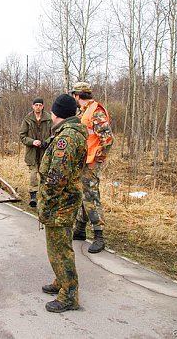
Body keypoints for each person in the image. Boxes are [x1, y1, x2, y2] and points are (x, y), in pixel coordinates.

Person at [38, 94, 87, 313]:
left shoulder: (66, 139)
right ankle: (61, 280)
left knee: (60, 250)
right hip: (66, 200)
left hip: (60, 203)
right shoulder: (73, 133)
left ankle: (69, 294)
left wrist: (45, 204)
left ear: (56, 114)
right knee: (59, 246)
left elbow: (57, 177)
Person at [70, 82, 113, 253]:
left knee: (92, 197)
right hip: (83, 161)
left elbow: (108, 139)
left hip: (91, 163)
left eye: (74, 95)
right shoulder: (83, 111)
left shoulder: (96, 111)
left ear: (77, 96)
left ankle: (99, 236)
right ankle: (80, 229)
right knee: (84, 194)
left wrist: (97, 160)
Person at [19, 97, 52, 208]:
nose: (38, 107)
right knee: (33, 174)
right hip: (32, 151)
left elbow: (54, 134)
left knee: (44, 173)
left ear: (43, 106)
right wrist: (33, 142)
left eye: (40, 105)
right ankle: (33, 195)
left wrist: (45, 142)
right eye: (36, 105)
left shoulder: (49, 118)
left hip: (45, 151)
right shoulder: (27, 119)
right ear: (32, 106)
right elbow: (22, 136)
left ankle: (44, 195)